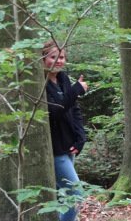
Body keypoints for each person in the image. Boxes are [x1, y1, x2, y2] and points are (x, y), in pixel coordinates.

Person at [42, 40, 88, 221]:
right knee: (76, 194)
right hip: (54, 149)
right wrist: (76, 89)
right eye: (53, 57)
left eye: (61, 57)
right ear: (43, 58)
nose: (58, 61)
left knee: (65, 196)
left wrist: (80, 138)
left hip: (69, 145)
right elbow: (55, 110)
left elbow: (73, 110)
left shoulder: (63, 79)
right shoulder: (41, 83)